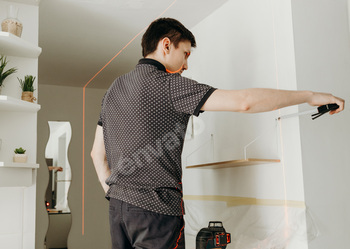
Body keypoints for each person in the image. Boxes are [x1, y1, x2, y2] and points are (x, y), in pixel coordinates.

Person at [91, 18, 344, 249]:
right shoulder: (168, 84)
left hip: (118, 212)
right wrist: (310, 96)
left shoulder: (115, 88)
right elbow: (244, 102)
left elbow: (96, 154)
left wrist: (118, 195)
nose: (186, 65)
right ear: (166, 45)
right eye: (185, 54)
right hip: (156, 213)